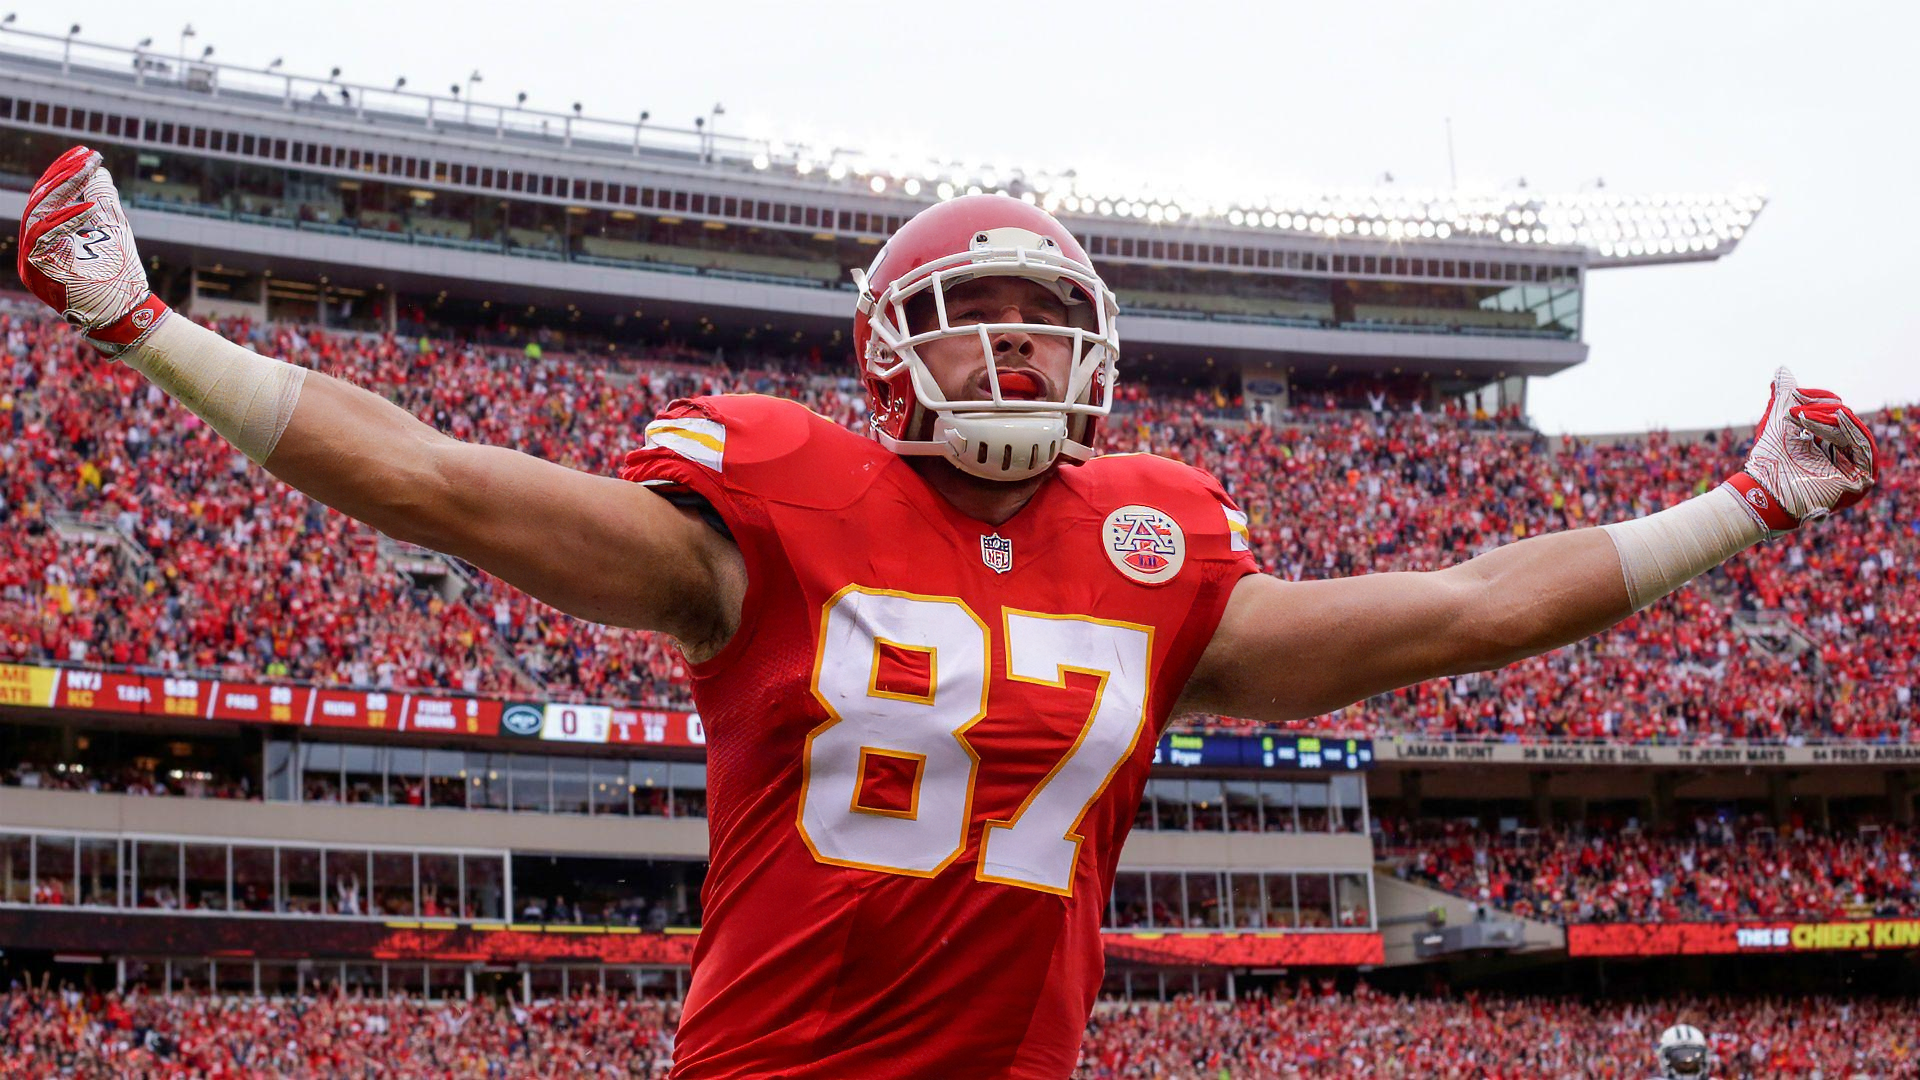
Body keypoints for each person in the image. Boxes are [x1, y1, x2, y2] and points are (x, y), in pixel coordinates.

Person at [17, 146, 1878, 1080]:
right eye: (981, 312)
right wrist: (146, 325)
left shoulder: (1155, 548)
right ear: (891, 349)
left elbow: (1472, 601)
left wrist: (1746, 499)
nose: (1017, 346)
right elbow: (439, 477)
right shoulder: (772, 502)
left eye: (1050, 321)